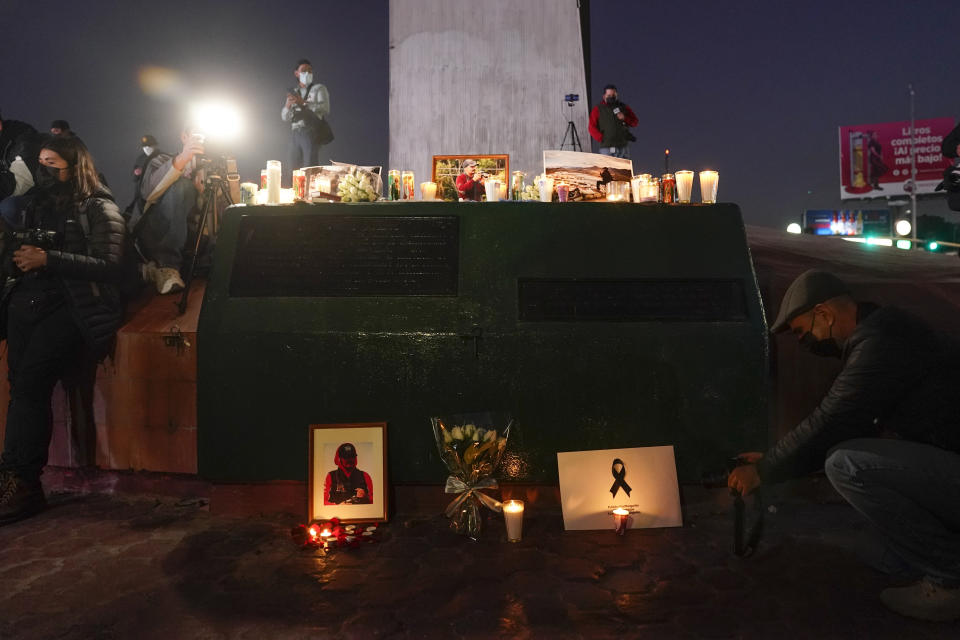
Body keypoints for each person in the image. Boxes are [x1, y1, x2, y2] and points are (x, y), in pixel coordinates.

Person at [728, 270, 960, 622]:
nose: (806, 343)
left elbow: (832, 419)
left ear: (824, 313)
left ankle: (949, 582)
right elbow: (838, 423)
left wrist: (764, 469)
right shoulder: (882, 330)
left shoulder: (881, 340)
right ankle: (918, 554)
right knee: (852, 458)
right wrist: (775, 459)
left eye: (804, 332)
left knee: (847, 464)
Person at [0, 135, 126, 525]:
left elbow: (110, 264)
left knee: (31, 386)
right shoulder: (34, 205)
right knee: (20, 390)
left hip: (72, 308)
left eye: (52, 162)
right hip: (27, 307)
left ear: (75, 165)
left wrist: (49, 258)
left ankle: (25, 482)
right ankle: (12, 476)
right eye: (40, 161)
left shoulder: (98, 206)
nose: (44, 169)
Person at [130, 126, 205, 294]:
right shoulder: (161, 159)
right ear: (185, 136)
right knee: (182, 186)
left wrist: (203, 194)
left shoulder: (214, 171)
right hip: (154, 234)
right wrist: (184, 159)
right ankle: (166, 266)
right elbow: (148, 192)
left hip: (192, 237)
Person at [281, 58, 330, 182]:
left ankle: (310, 196)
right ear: (296, 73)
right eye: (303, 71)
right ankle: (294, 197)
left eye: (310, 71)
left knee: (310, 168)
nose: (307, 73)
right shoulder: (294, 92)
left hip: (310, 131)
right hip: (295, 133)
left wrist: (304, 103)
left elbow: (325, 109)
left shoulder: (318, 88)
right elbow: (284, 117)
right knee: (293, 169)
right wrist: (288, 105)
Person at [588, 84, 639, 159]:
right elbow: (591, 127)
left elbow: (635, 122)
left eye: (613, 95)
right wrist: (601, 138)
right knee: (608, 169)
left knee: (624, 170)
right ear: (604, 96)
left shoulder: (623, 107)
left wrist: (625, 118)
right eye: (609, 95)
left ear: (616, 95)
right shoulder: (598, 109)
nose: (611, 97)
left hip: (623, 147)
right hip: (607, 148)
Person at [0, 111, 40, 203]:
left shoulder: (23, 135)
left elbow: (22, 180)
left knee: (9, 207)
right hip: (7, 188)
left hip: (30, 192)